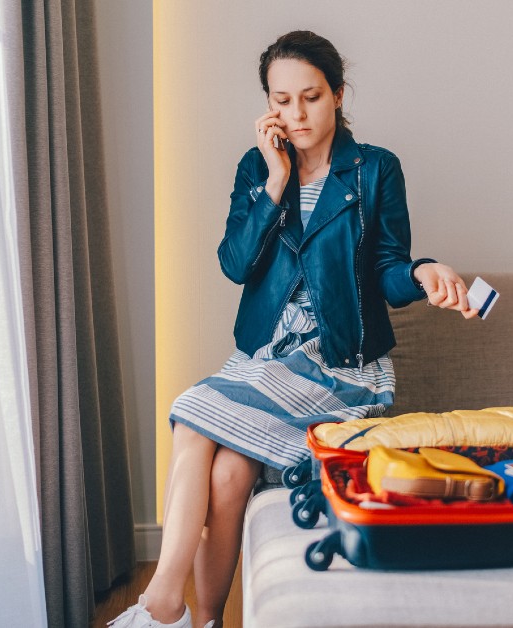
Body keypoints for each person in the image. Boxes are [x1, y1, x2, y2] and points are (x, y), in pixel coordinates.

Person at [109, 30, 476, 628]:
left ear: (337, 94)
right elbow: (235, 264)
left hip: (339, 364)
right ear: (268, 105)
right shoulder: (256, 168)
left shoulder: (375, 169)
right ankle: (201, 622)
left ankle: (161, 603)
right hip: (264, 360)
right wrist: (275, 182)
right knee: (227, 475)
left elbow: (386, 268)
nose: (297, 114)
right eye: (282, 100)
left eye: (311, 97)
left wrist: (424, 271)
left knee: (192, 409)